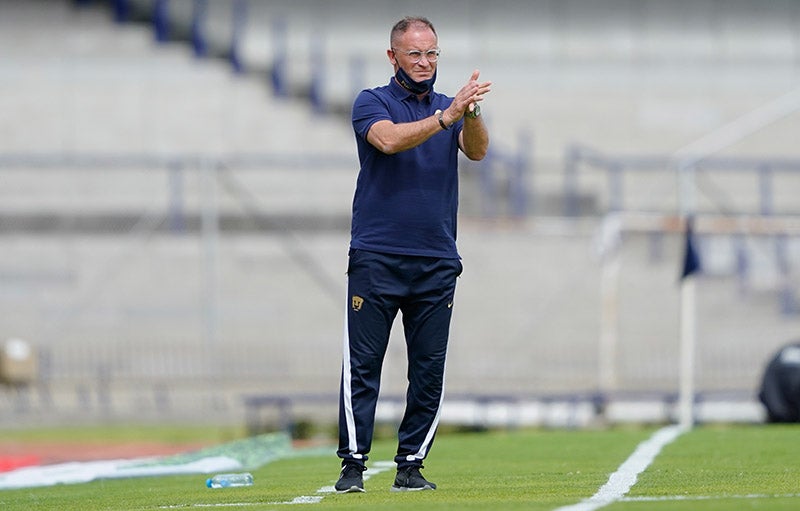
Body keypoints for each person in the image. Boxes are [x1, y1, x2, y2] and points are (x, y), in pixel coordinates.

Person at [335, 16, 491, 493]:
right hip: (377, 255)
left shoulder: (452, 107)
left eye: (432, 54)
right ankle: (353, 466)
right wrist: (446, 117)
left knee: (428, 370)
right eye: (415, 54)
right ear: (393, 57)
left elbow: (478, 151)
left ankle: (411, 466)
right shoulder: (372, 101)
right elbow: (387, 140)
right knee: (363, 367)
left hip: (436, 259)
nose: (425, 63)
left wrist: (471, 112)